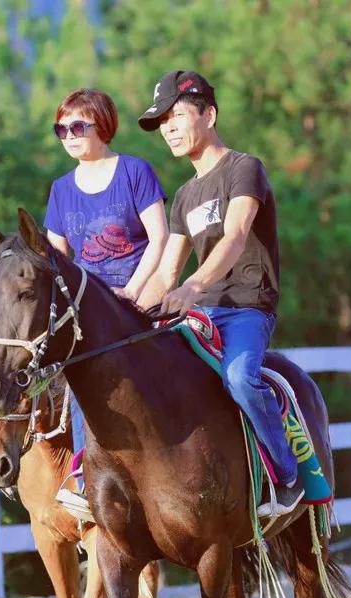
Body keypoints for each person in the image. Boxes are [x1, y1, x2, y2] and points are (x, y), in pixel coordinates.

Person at [135, 70, 302, 517]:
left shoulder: (244, 169)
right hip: (203, 311)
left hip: (247, 307)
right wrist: (129, 311)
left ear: (209, 114)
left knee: (239, 379)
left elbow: (234, 235)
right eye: (161, 122)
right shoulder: (184, 196)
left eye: (176, 116)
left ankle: (286, 475)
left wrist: (194, 285)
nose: (168, 128)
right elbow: (165, 272)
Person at [44, 88, 168, 516]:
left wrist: (133, 291)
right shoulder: (61, 190)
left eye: (77, 126)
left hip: (140, 295)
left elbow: (160, 238)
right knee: (79, 377)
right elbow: (56, 259)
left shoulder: (134, 172)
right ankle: (85, 472)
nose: (69, 136)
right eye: (62, 129)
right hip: (86, 309)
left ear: (103, 125)